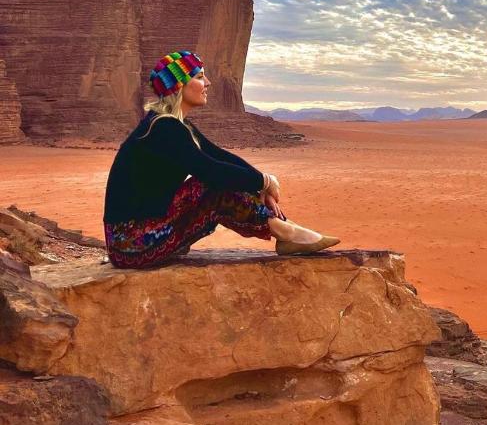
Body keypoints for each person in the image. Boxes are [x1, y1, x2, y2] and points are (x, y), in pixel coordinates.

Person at [103, 50, 339, 268]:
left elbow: (219, 155)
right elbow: (211, 170)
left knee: (228, 178)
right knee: (214, 185)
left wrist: (262, 183)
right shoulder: (163, 127)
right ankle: (287, 234)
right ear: (179, 85)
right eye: (199, 77)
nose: (208, 83)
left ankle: (286, 228)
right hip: (130, 243)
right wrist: (263, 182)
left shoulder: (175, 125)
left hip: (143, 233)